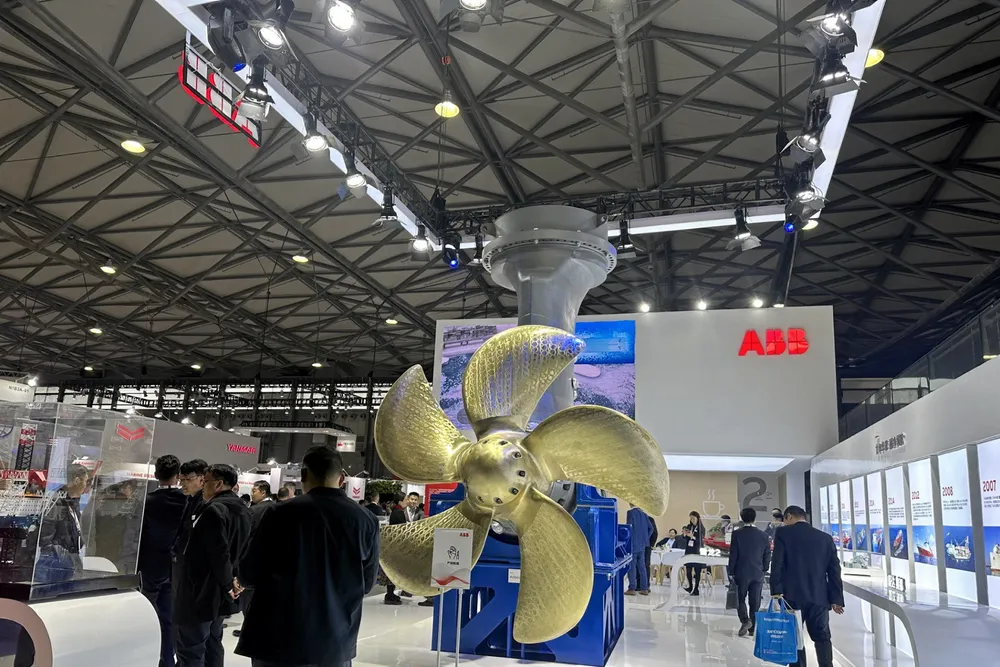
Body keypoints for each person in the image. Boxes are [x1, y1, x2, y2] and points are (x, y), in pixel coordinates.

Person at [236, 446, 380, 667]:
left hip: (279, 638)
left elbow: (249, 574)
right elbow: (367, 583)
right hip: (334, 640)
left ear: (303, 475)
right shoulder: (367, 520)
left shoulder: (279, 513)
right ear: (342, 479)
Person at [174, 464, 251, 667]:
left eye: (206, 481)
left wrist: (228, 582)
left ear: (218, 484)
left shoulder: (213, 510)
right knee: (213, 643)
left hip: (201, 590)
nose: (203, 486)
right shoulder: (244, 510)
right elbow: (245, 550)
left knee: (190, 649)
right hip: (223, 591)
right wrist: (236, 580)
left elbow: (218, 552)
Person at [770, 505, 845, 667]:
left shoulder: (783, 533)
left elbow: (777, 564)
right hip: (819, 596)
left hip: (791, 596)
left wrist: (776, 591)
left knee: (794, 637)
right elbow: (834, 570)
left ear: (789, 516)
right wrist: (836, 598)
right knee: (822, 637)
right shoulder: (825, 538)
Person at [139, 455, 188, 667]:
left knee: (144, 614)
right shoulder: (186, 501)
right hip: (174, 566)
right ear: (178, 476)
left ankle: (145, 657)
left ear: (155, 474)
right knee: (168, 618)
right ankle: (167, 660)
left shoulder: (147, 501)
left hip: (149, 565)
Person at [233, 481, 277, 638]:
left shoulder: (255, 511)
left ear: (263, 492)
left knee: (249, 601)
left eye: (254, 491)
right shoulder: (278, 508)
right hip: (272, 563)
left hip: (252, 561)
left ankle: (249, 631)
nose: (252, 494)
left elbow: (245, 538)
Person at [728, 507, 771, 638]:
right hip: (757, 572)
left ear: (742, 518)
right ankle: (753, 628)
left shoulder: (737, 534)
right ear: (755, 518)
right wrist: (764, 568)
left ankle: (745, 620)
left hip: (741, 571)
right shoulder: (764, 536)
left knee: (740, 598)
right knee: (755, 600)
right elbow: (767, 554)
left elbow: (733, 554)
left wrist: (731, 570)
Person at [384, 493, 433, 607]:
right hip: (399, 545)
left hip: (400, 545)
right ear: (402, 501)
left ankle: (394, 593)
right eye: (408, 499)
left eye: (415, 499)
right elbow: (403, 529)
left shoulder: (402, 511)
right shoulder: (400, 512)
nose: (410, 501)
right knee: (396, 569)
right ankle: (391, 595)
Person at [625, 504, 653, 596]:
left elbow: (629, 527)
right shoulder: (644, 514)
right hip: (642, 544)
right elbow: (651, 528)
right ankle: (644, 588)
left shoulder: (630, 513)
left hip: (633, 543)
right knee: (642, 567)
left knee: (632, 567)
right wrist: (645, 538)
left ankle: (632, 588)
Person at [683, 511, 704, 596]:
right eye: (691, 518)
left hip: (697, 550)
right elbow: (686, 539)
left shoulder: (701, 528)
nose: (692, 520)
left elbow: (701, 540)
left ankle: (696, 588)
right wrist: (685, 535)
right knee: (688, 569)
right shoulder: (689, 526)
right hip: (689, 550)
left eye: (693, 518)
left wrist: (693, 537)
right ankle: (690, 586)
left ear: (697, 518)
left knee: (697, 570)